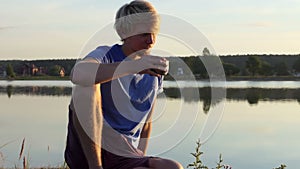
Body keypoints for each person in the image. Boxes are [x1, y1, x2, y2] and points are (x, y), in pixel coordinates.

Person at [64, 1, 183, 169]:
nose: (151, 40)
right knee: (87, 85)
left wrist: (140, 157)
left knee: (172, 167)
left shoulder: (154, 71)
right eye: (144, 34)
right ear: (124, 32)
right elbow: (78, 74)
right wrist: (133, 66)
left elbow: (146, 124)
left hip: (124, 155)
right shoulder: (106, 54)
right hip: (90, 149)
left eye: (154, 33)